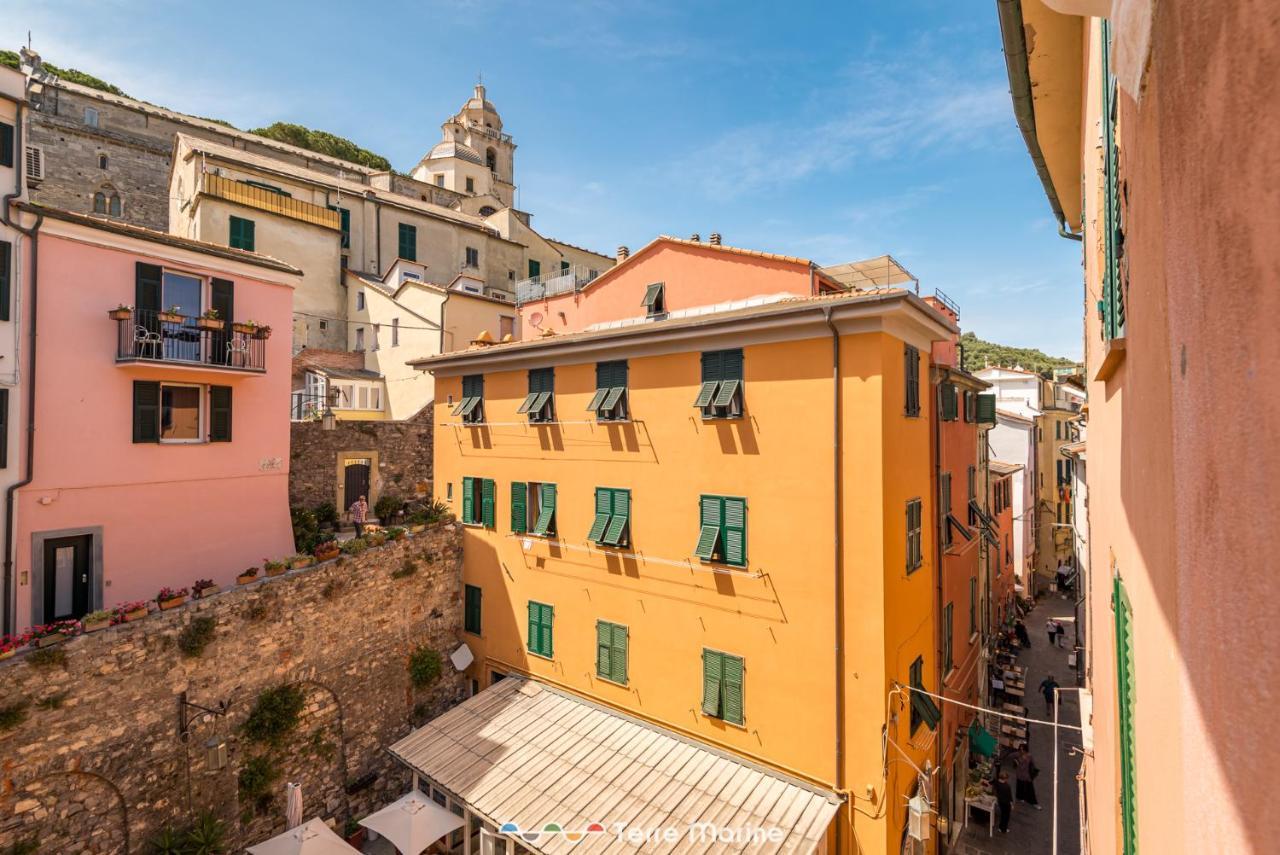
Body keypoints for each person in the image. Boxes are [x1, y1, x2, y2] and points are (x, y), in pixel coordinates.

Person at [1014, 744, 1041, 809]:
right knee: (1020, 786)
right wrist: (1018, 760)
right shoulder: (1018, 755)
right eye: (1020, 749)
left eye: (1023, 749)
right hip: (1020, 774)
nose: (1022, 751)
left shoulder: (1029, 756)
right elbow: (1014, 762)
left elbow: (1032, 764)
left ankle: (1034, 802)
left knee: (1030, 788)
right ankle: (1020, 797)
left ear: (1026, 749)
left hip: (1026, 775)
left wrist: (1034, 770)